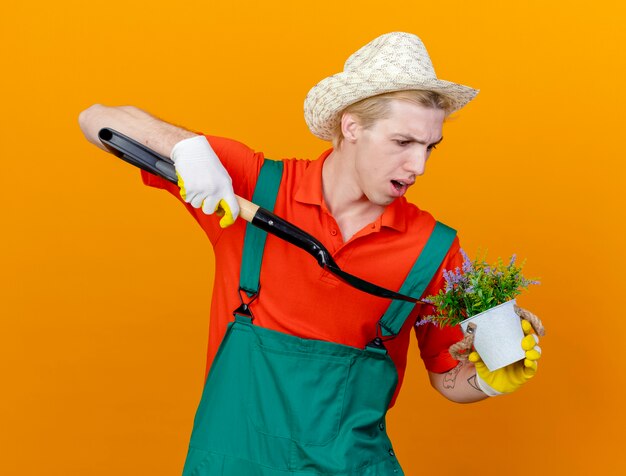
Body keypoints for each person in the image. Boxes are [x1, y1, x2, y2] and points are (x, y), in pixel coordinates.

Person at [79, 32, 542, 475]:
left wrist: (490, 377)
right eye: (403, 142)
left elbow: (447, 377)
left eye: (429, 147)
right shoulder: (255, 188)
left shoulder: (432, 247)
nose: (417, 166)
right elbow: (96, 118)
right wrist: (187, 148)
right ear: (352, 126)